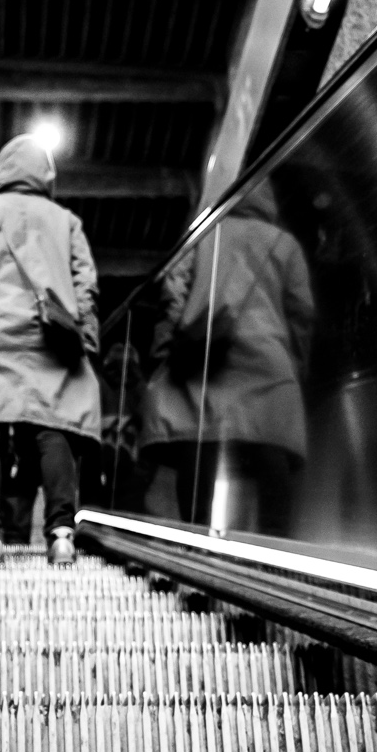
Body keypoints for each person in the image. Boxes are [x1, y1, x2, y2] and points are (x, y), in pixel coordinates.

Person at [0, 134, 101, 566]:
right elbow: (86, 288)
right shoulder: (66, 222)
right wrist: (87, 341)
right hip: (51, 339)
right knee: (53, 426)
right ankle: (61, 533)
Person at [139, 165, 315, 536]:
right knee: (269, 446)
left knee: (200, 442)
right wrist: (295, 365)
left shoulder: (202, 236)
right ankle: (273, 547)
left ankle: (196, 540)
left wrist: (162, 354)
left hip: (204, 359)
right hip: (267, 360)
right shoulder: (284, 244)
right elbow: (301, 313)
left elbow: (172, 296)